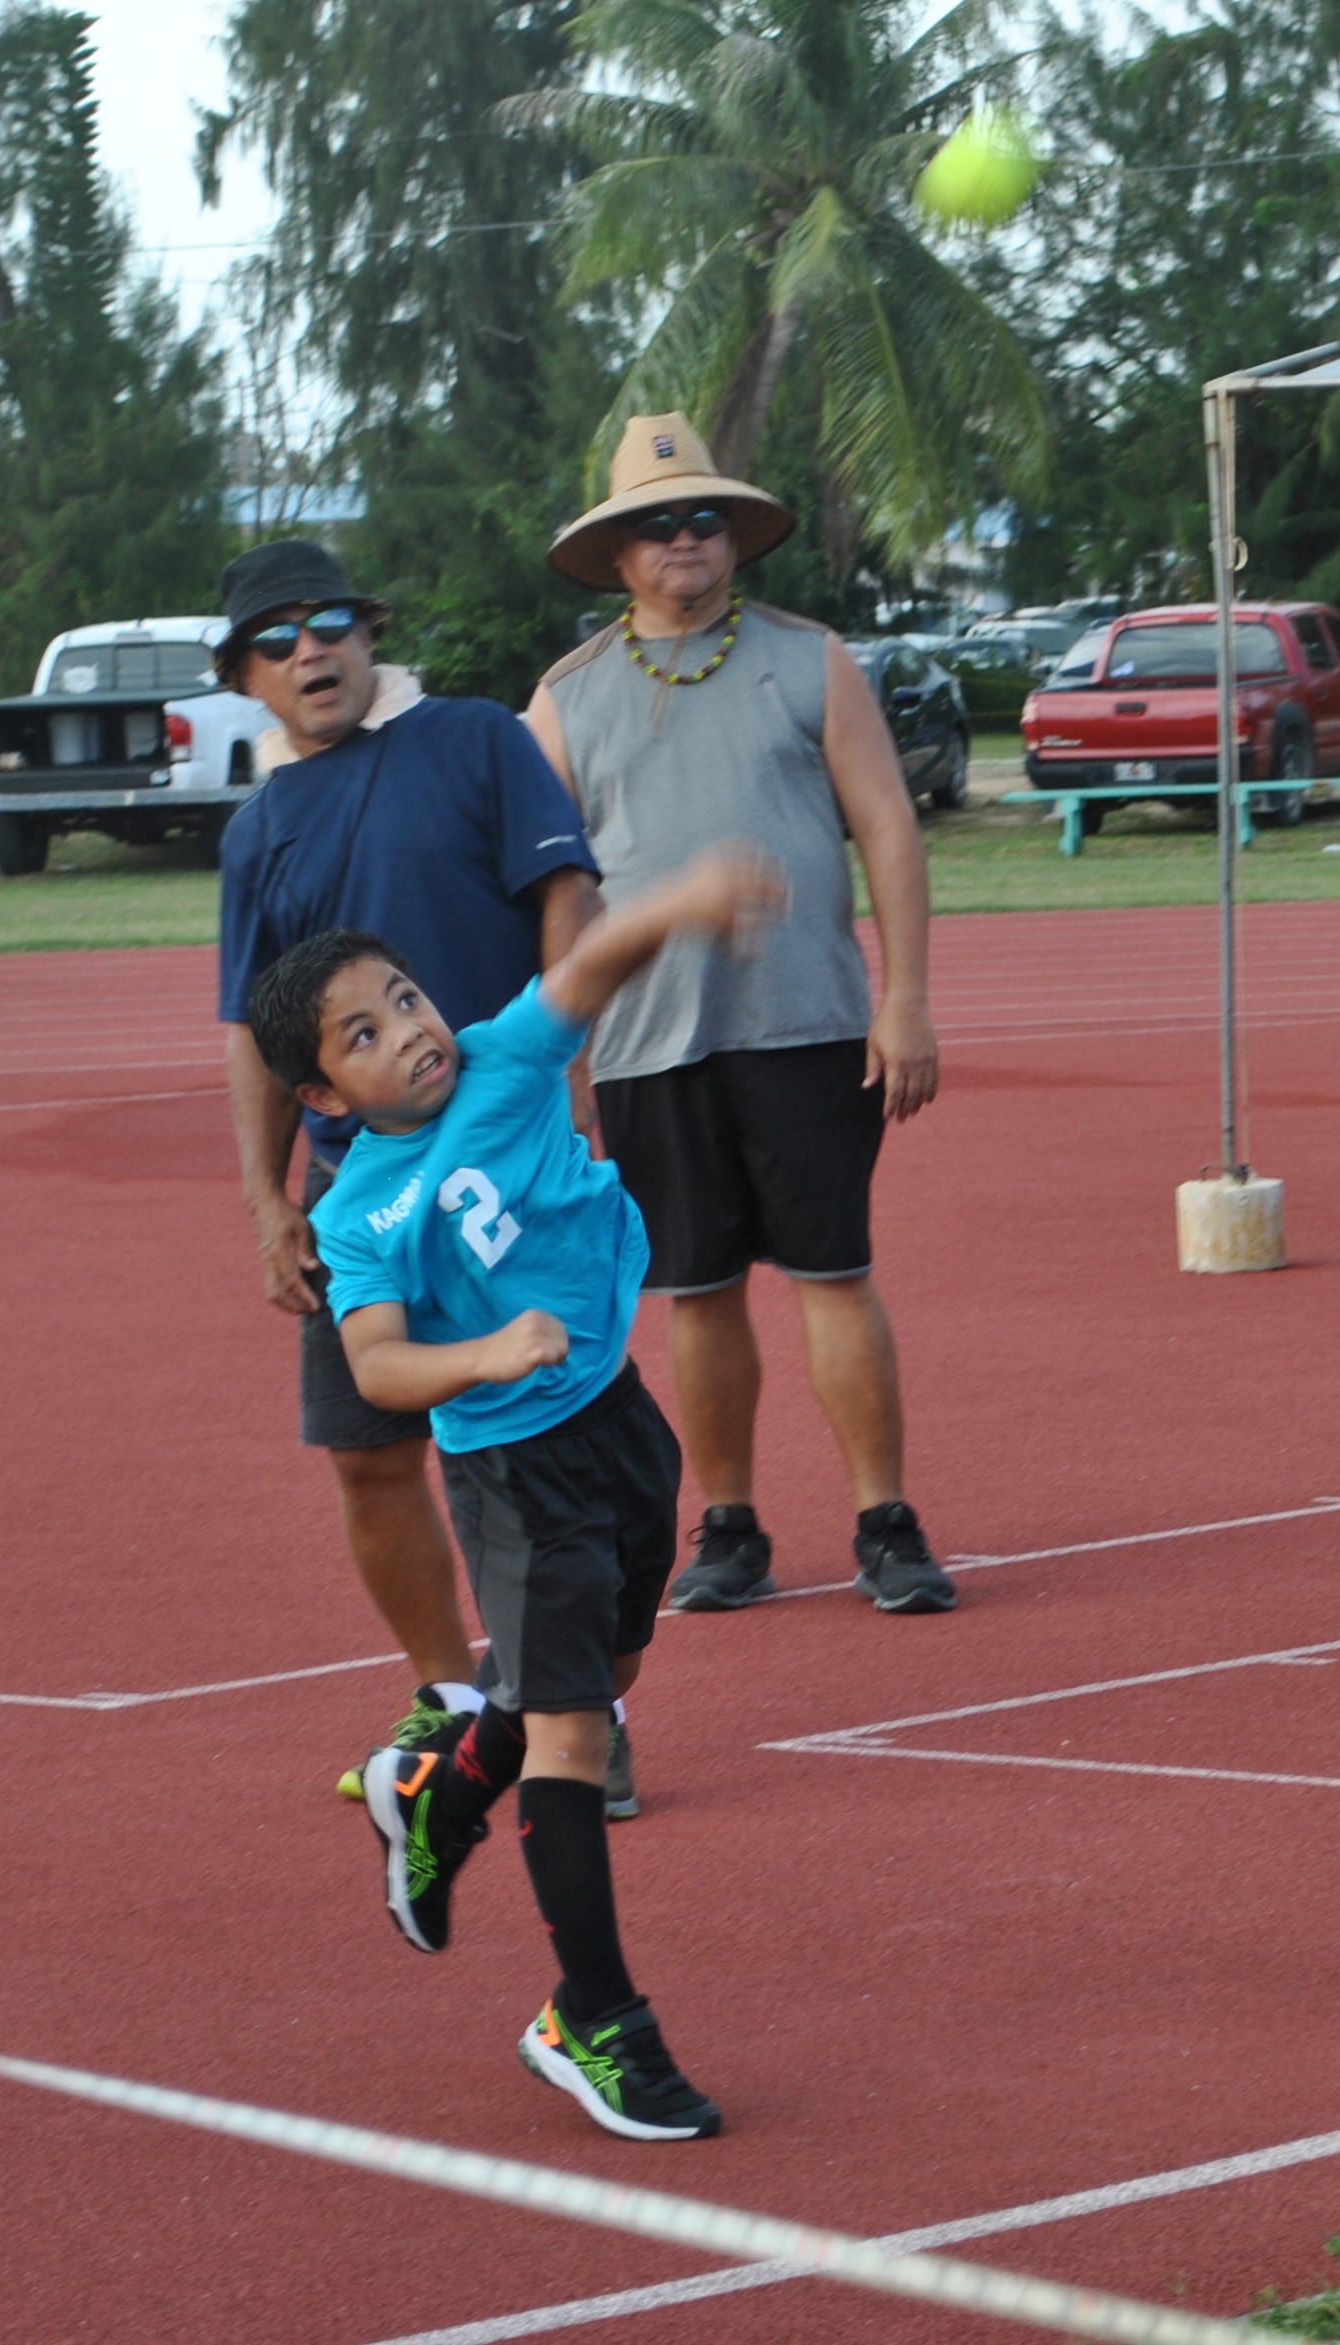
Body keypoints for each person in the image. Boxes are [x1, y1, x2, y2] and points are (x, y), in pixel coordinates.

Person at [250, 849, 787, 2141]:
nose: (411, 1033)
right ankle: (591, 2020)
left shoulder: (502, 1056)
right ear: (326, 1092)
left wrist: (685, 899)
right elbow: (376, 1361)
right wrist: (484, 1355)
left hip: (618, 1423)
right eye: (366, 1034)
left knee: (607, 1675)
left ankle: (435, 1789)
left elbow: (588, 965)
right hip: (513, 1469)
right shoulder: (363, 1209)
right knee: (574, 1736)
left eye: (407, 999)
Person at [209, 542, 628, 1811]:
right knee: (369, 1453)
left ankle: (577, 1720)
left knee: (537, 1462)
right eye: (276, 640)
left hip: (497, 1180)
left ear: (370, 630)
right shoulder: (257, 830)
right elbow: (255, 1027)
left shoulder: (473, 739)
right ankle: (458, 1700)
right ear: (244, 678)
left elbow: (568, 894)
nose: (310, 650)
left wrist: (565, 1080)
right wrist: (269, 1196)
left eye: (330, 621)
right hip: (365, 1196)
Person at [526, 415, 949, 1617]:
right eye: (657, 525)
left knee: (834, 1269)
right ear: (617, 553)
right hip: (648, 1041)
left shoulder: (810, 659)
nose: (685, 542)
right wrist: (565, 1063)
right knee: (697, 1290)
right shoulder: (564, 700)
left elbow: (888, 828)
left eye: (704, 519)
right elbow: (557, 892)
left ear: (735, 539)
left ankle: (884, 1519)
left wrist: (905, 998)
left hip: (807, 1021)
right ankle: (730, 1526)